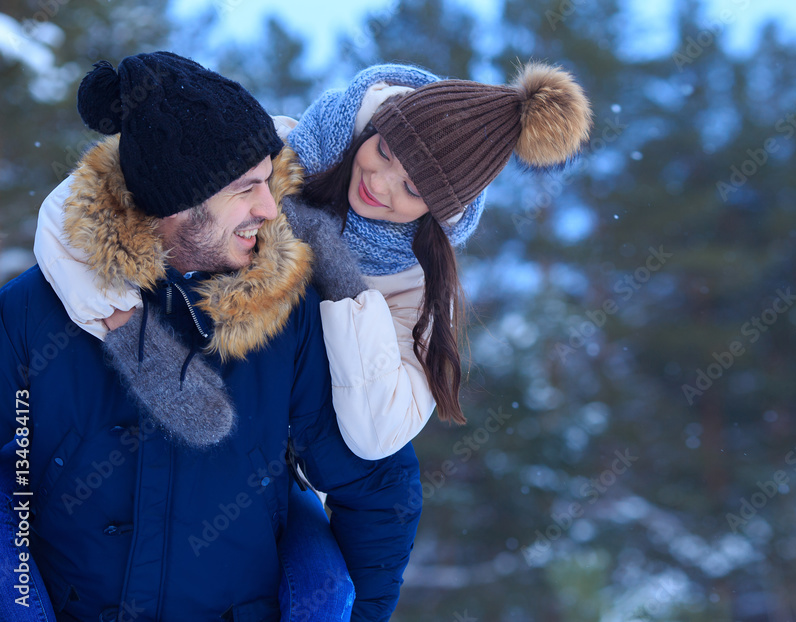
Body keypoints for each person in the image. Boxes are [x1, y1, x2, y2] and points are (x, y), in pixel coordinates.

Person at [0, 52, 419, 621]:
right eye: (247, 189)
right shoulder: (33, 310)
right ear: (179, 198)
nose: (270, 209)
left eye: (270, 183)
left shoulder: (291, 318)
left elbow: (374, 484)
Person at [33, 62, 594, 462]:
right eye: (386, 152)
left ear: (439, 212)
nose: (379, 182)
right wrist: (133, 338)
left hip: (267, 459)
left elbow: (378, 435)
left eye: (413, 189)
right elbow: (75, 207)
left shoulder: (415, 283)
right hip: (127, 423)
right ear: (373, 128)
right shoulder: (274, 147)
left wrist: (346, 286)